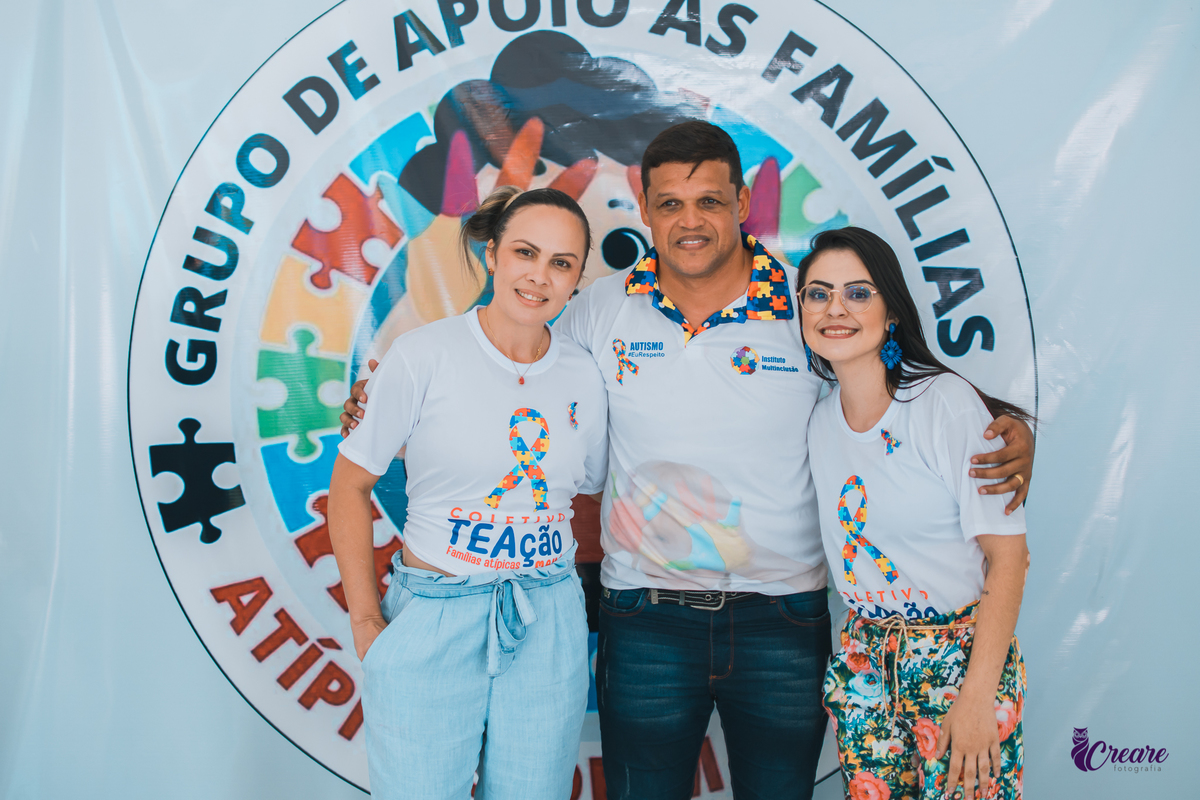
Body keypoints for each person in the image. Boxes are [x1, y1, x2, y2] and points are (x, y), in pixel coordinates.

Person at [344, 121, 1036, 800]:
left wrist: (1002, 426)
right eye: (669, 203)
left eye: (709, 200)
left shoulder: (805, 310)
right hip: (646, 618)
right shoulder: (598, 308)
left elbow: (890, 385)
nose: (690, 220)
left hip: (783, 620)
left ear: (741, 204)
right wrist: (377, 402)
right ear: (644, 210)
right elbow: (508, 359)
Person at [328, 186, 608, 800]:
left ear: (577, 278)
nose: (539, 277)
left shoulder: (585, 375)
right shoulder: (423, 356)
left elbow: (587, 490)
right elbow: (349, 485)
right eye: (525, 253)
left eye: (560, 263)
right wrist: (367, 619)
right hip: (432, 612)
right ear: (492, 254)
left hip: (547, 617)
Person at [799, 227, 1029, 800]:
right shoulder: (819, 422)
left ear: (892, 312)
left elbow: (1010, 558)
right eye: (818, 293)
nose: (835, 308)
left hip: (958, 662)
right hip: (864, 664)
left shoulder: (942, 403)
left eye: (858, 293)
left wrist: (977, 697)